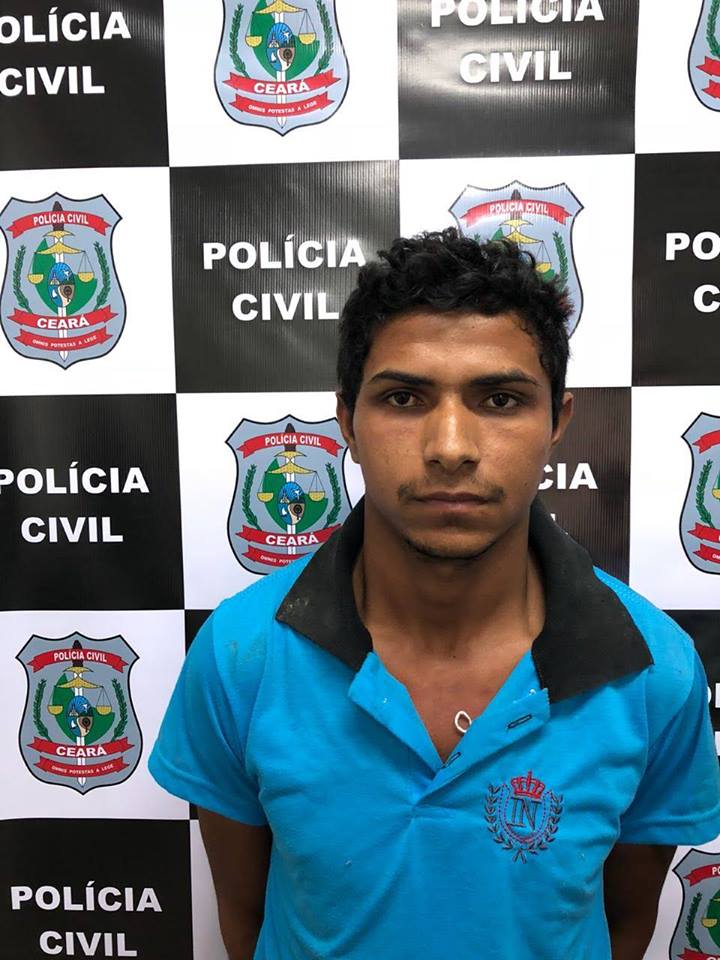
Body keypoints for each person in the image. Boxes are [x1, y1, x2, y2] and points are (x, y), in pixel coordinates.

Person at [149, 228, 720, 960]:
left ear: (557, 422)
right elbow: (246, 913)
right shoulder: (241, 655)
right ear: (348, 421)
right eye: (405, 397)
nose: (451, 446)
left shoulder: (653, 669)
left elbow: (625, 924)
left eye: (500, 399)